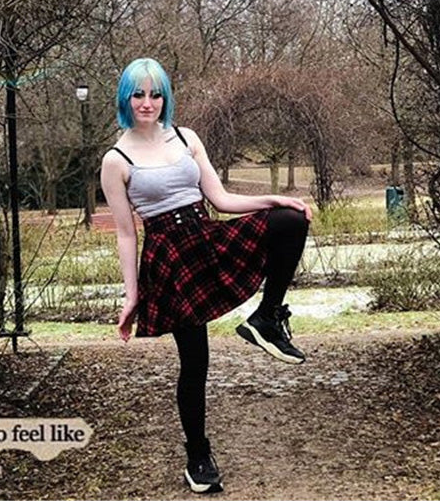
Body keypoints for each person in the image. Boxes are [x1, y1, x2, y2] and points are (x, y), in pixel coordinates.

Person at [100, 57, 311, 494]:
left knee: (291, 222)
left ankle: (267, 318)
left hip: (206, 237)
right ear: (125, 98)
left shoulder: (186, 137)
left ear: (165, 97)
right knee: (195, 363)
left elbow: (220, 198)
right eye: (138, 94)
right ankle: (198, 456)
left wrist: (275, 200)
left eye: (155, 94)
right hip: (170, 260)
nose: (147, 102)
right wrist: (131, 296)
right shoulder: (116, 160)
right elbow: (125, 233)